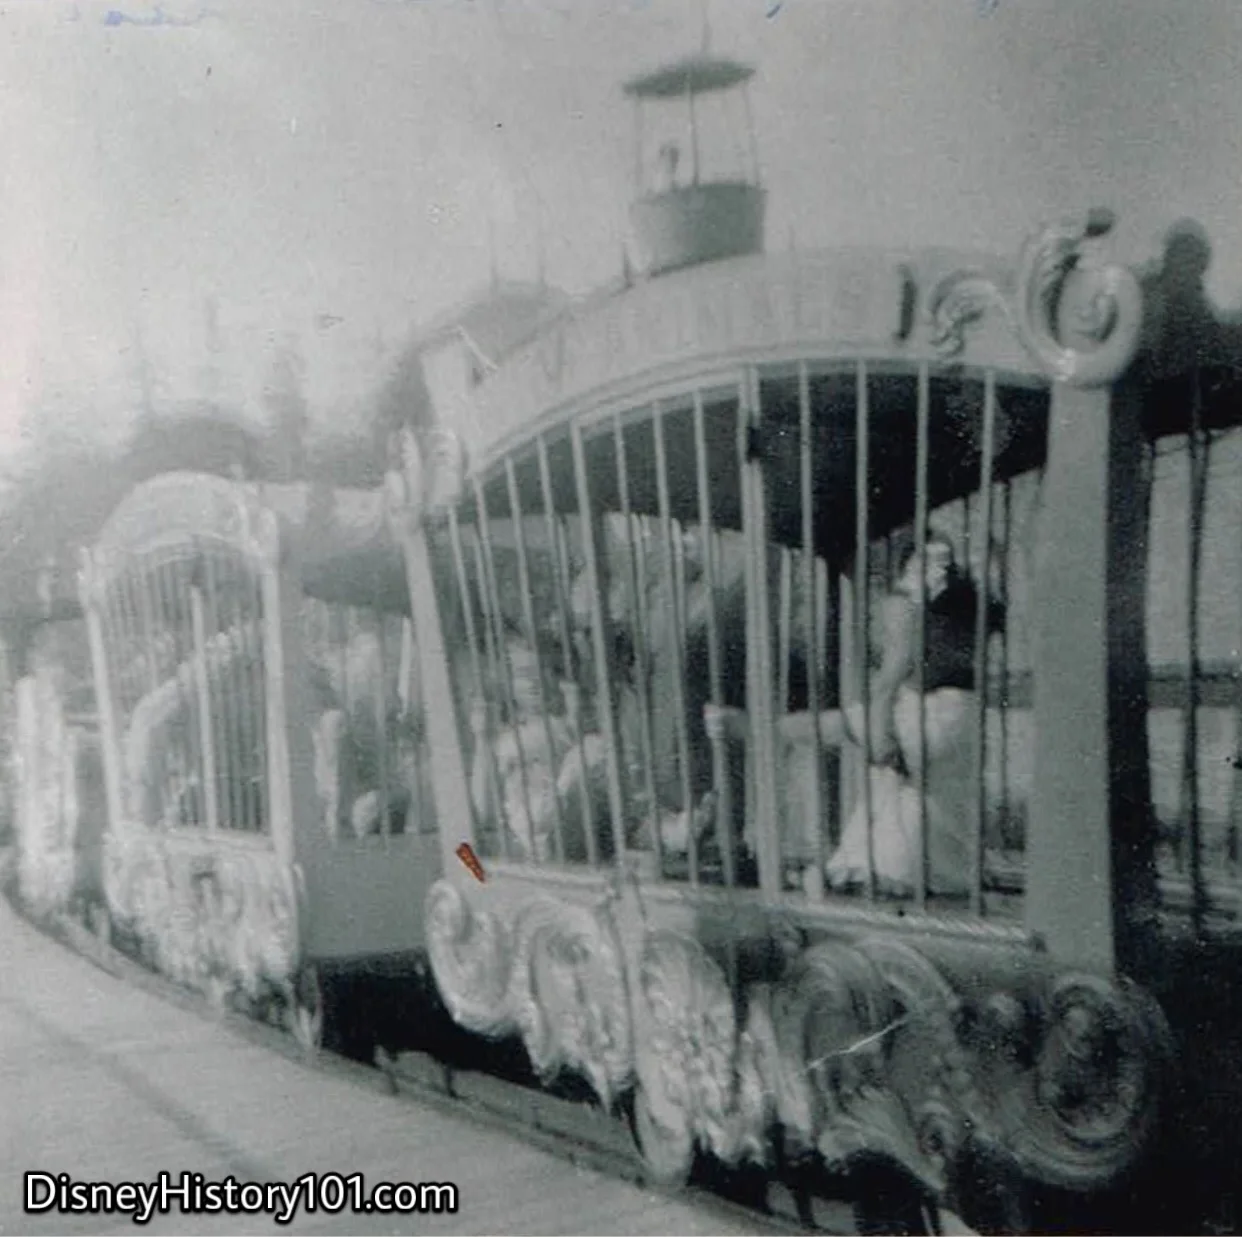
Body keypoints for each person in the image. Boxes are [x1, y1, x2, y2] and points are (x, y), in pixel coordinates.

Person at [704, 536, 1003, 897]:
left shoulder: (950, 710)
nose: (887, 645)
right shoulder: (919, 703)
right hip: (893, 872)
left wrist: (890, 675)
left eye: (897, 637)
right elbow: (834, 725)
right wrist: (752, 727)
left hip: (915, 879)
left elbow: (875, 743)